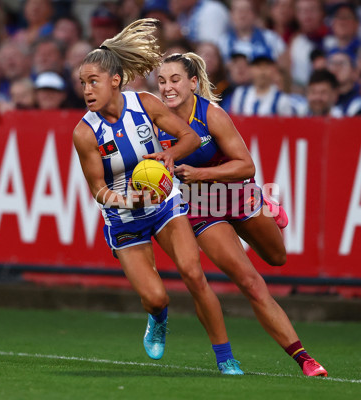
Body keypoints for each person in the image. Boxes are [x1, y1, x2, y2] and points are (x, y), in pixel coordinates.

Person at [72, 18, 244, 375]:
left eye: (93, 81)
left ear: (115, 80)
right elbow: (98, 191)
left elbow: (191, 138)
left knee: (193, 275)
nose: (87, 90)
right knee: (156, 297)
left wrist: (169, 156)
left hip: (165, 205)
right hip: (124, 217)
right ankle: (158, 318)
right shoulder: (85, 133)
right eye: (82, 83)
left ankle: (225, 357)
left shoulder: (145, 104)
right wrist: (128, 201)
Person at [156, 51, 328, 377]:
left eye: (175, 79)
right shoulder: (155, 118)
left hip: (239, 193)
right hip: (201, 206)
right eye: (162, 81)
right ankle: (305, 360)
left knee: (277, 258)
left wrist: (201, 174)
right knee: (251, 283)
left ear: (193, 83)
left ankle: (269, 208)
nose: (167, 87)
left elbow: (247, 165)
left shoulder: (212, 115)